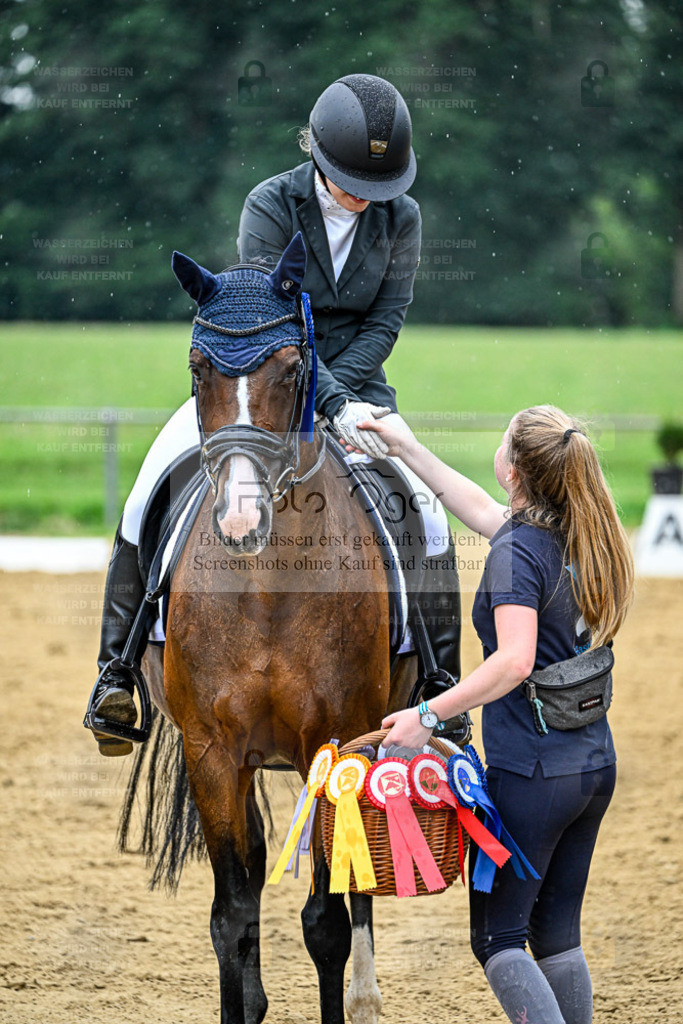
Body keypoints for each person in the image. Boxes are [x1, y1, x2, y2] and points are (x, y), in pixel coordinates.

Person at [86, 73, 461, 757]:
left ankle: (438, 679)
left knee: (424, 509)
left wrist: (341, 394)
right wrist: (312, 389)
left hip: (357, 381)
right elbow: (262, 313)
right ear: (317, 157)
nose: (364, 199)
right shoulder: (272, 201)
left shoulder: (400, 216)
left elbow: (386, 319)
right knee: (146, 490)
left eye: (377, 187)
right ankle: (116, 673)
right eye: (353, 182)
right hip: (257, 378)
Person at [360, 404, 634, 1024]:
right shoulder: (581, 529)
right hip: (591, 766)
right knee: (557, 935)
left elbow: (513, 662)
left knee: (499, 941)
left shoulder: (518, 550)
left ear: (514, 471)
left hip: (534, 774)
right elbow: (483, 511)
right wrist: (406, 448)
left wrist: (426, 715)